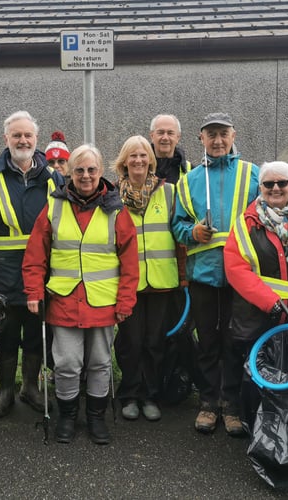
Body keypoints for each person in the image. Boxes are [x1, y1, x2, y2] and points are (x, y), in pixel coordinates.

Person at [23, 144, 138, 444]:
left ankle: (97, 418)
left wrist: (126, 301)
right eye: (79, 170)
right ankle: (68, 416)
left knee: (100, 362)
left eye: (91, 170)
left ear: (101, 172)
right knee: (67, 363)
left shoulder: (116, 208)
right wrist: (34, 291)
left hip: (103, 303)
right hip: (63, 301)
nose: (85, 176)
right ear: (69, 173)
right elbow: (36, 255)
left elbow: (129, 261)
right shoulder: (54, 206)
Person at [171, 112, 260, 435]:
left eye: (224, 134)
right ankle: (209, 403)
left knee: (236, 341)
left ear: (234, 136)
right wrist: (192, 233)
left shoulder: (253, 174)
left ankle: (232, 406)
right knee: (207, 341)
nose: (218, 141)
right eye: (212, 135)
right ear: (201, 139)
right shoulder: (189, 180)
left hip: (242, 278)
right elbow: (177, 225)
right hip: (204, 276)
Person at [224, 160, 288, 433]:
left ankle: (286, 425)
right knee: (252, 368)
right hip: (257, 311)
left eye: (282, 183)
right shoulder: (246, 222)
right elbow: (236, 268)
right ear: (260, 187)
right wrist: (269, 301)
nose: (275, 188)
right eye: (268, 184)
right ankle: (247, 420)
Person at [0, 111, 65, 418]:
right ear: (6, 139)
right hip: (3, 274)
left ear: (36, 139)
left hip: (43, 272)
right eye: (17, 135)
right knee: (6, 334)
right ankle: (6, 392)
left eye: (28, 135)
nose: (23, 140)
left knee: (36, 333)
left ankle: (30, 386)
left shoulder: (55, 178)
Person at [112, 135, 184, 422]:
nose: (139, 160)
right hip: (127, 282)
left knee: (155, 342)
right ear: (123, 162)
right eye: (133, 156)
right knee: (130, 342)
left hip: (161, 281)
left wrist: (183, 276)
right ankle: (129, 394)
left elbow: (180, 237)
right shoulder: (112, 196)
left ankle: (150, 395)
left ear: (151, 161)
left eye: (143, 156)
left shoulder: (169, 192)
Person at [149, 114, 190, 183]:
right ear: (152, 136)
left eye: (170, 133)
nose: (165, 138)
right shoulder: (140, 167)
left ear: (178, 137)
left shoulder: (191, 171)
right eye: (160, 133)